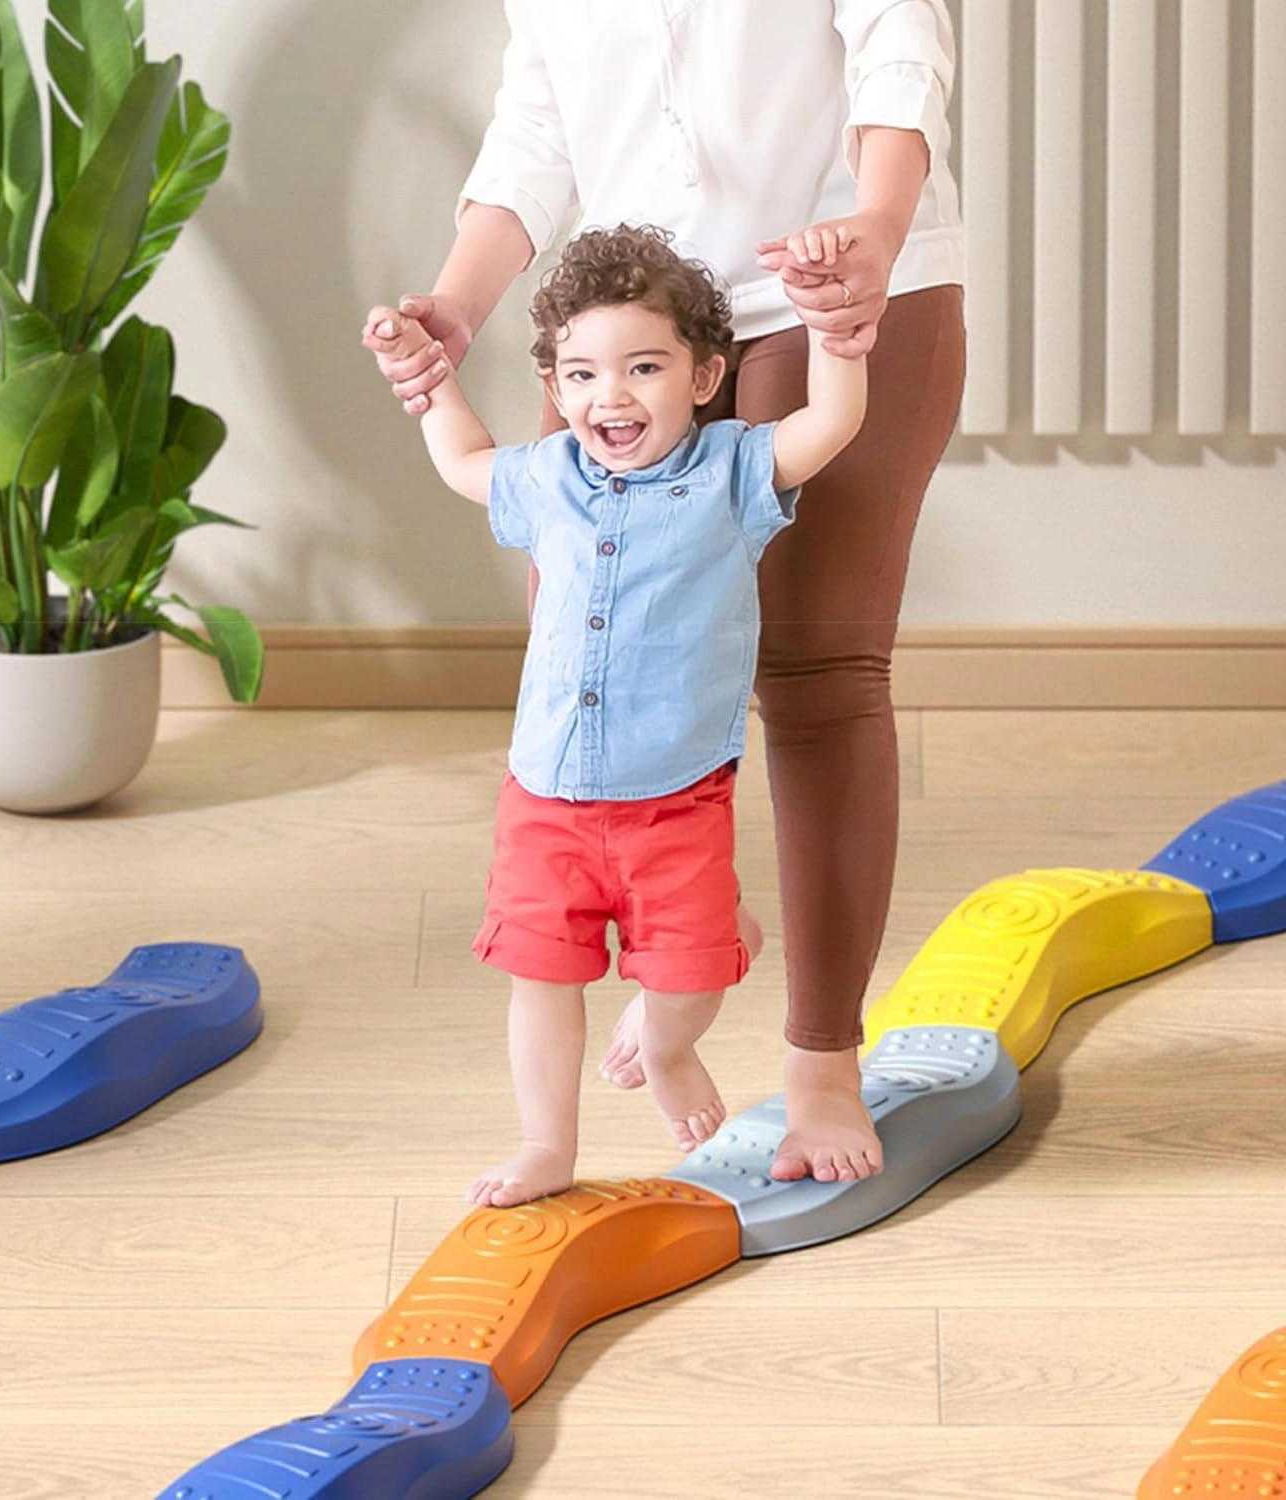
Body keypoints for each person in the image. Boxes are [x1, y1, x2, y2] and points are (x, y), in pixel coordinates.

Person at [365, 2, 966, 1186]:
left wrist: (878, 231)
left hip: (832, 276)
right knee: (594, 650)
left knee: (816, 677)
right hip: (630, 321)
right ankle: (695, 920)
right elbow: (536, 125)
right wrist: (457, 306)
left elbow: (900, 49)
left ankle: (822, 1068)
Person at [366, 224, 866, 1207]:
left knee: (687, 982)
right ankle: (545, 1144)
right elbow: (463, 458)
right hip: (545, 797)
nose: (613, 396)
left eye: (644, 367)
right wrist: (429, 378)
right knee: (543, 978)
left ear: (703, 376)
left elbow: (830, 426)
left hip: (675, 799)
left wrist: (837, 337)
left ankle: (670, 1048)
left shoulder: (730, 474)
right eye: (584, 374)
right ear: (556, 388)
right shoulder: (547, 477)